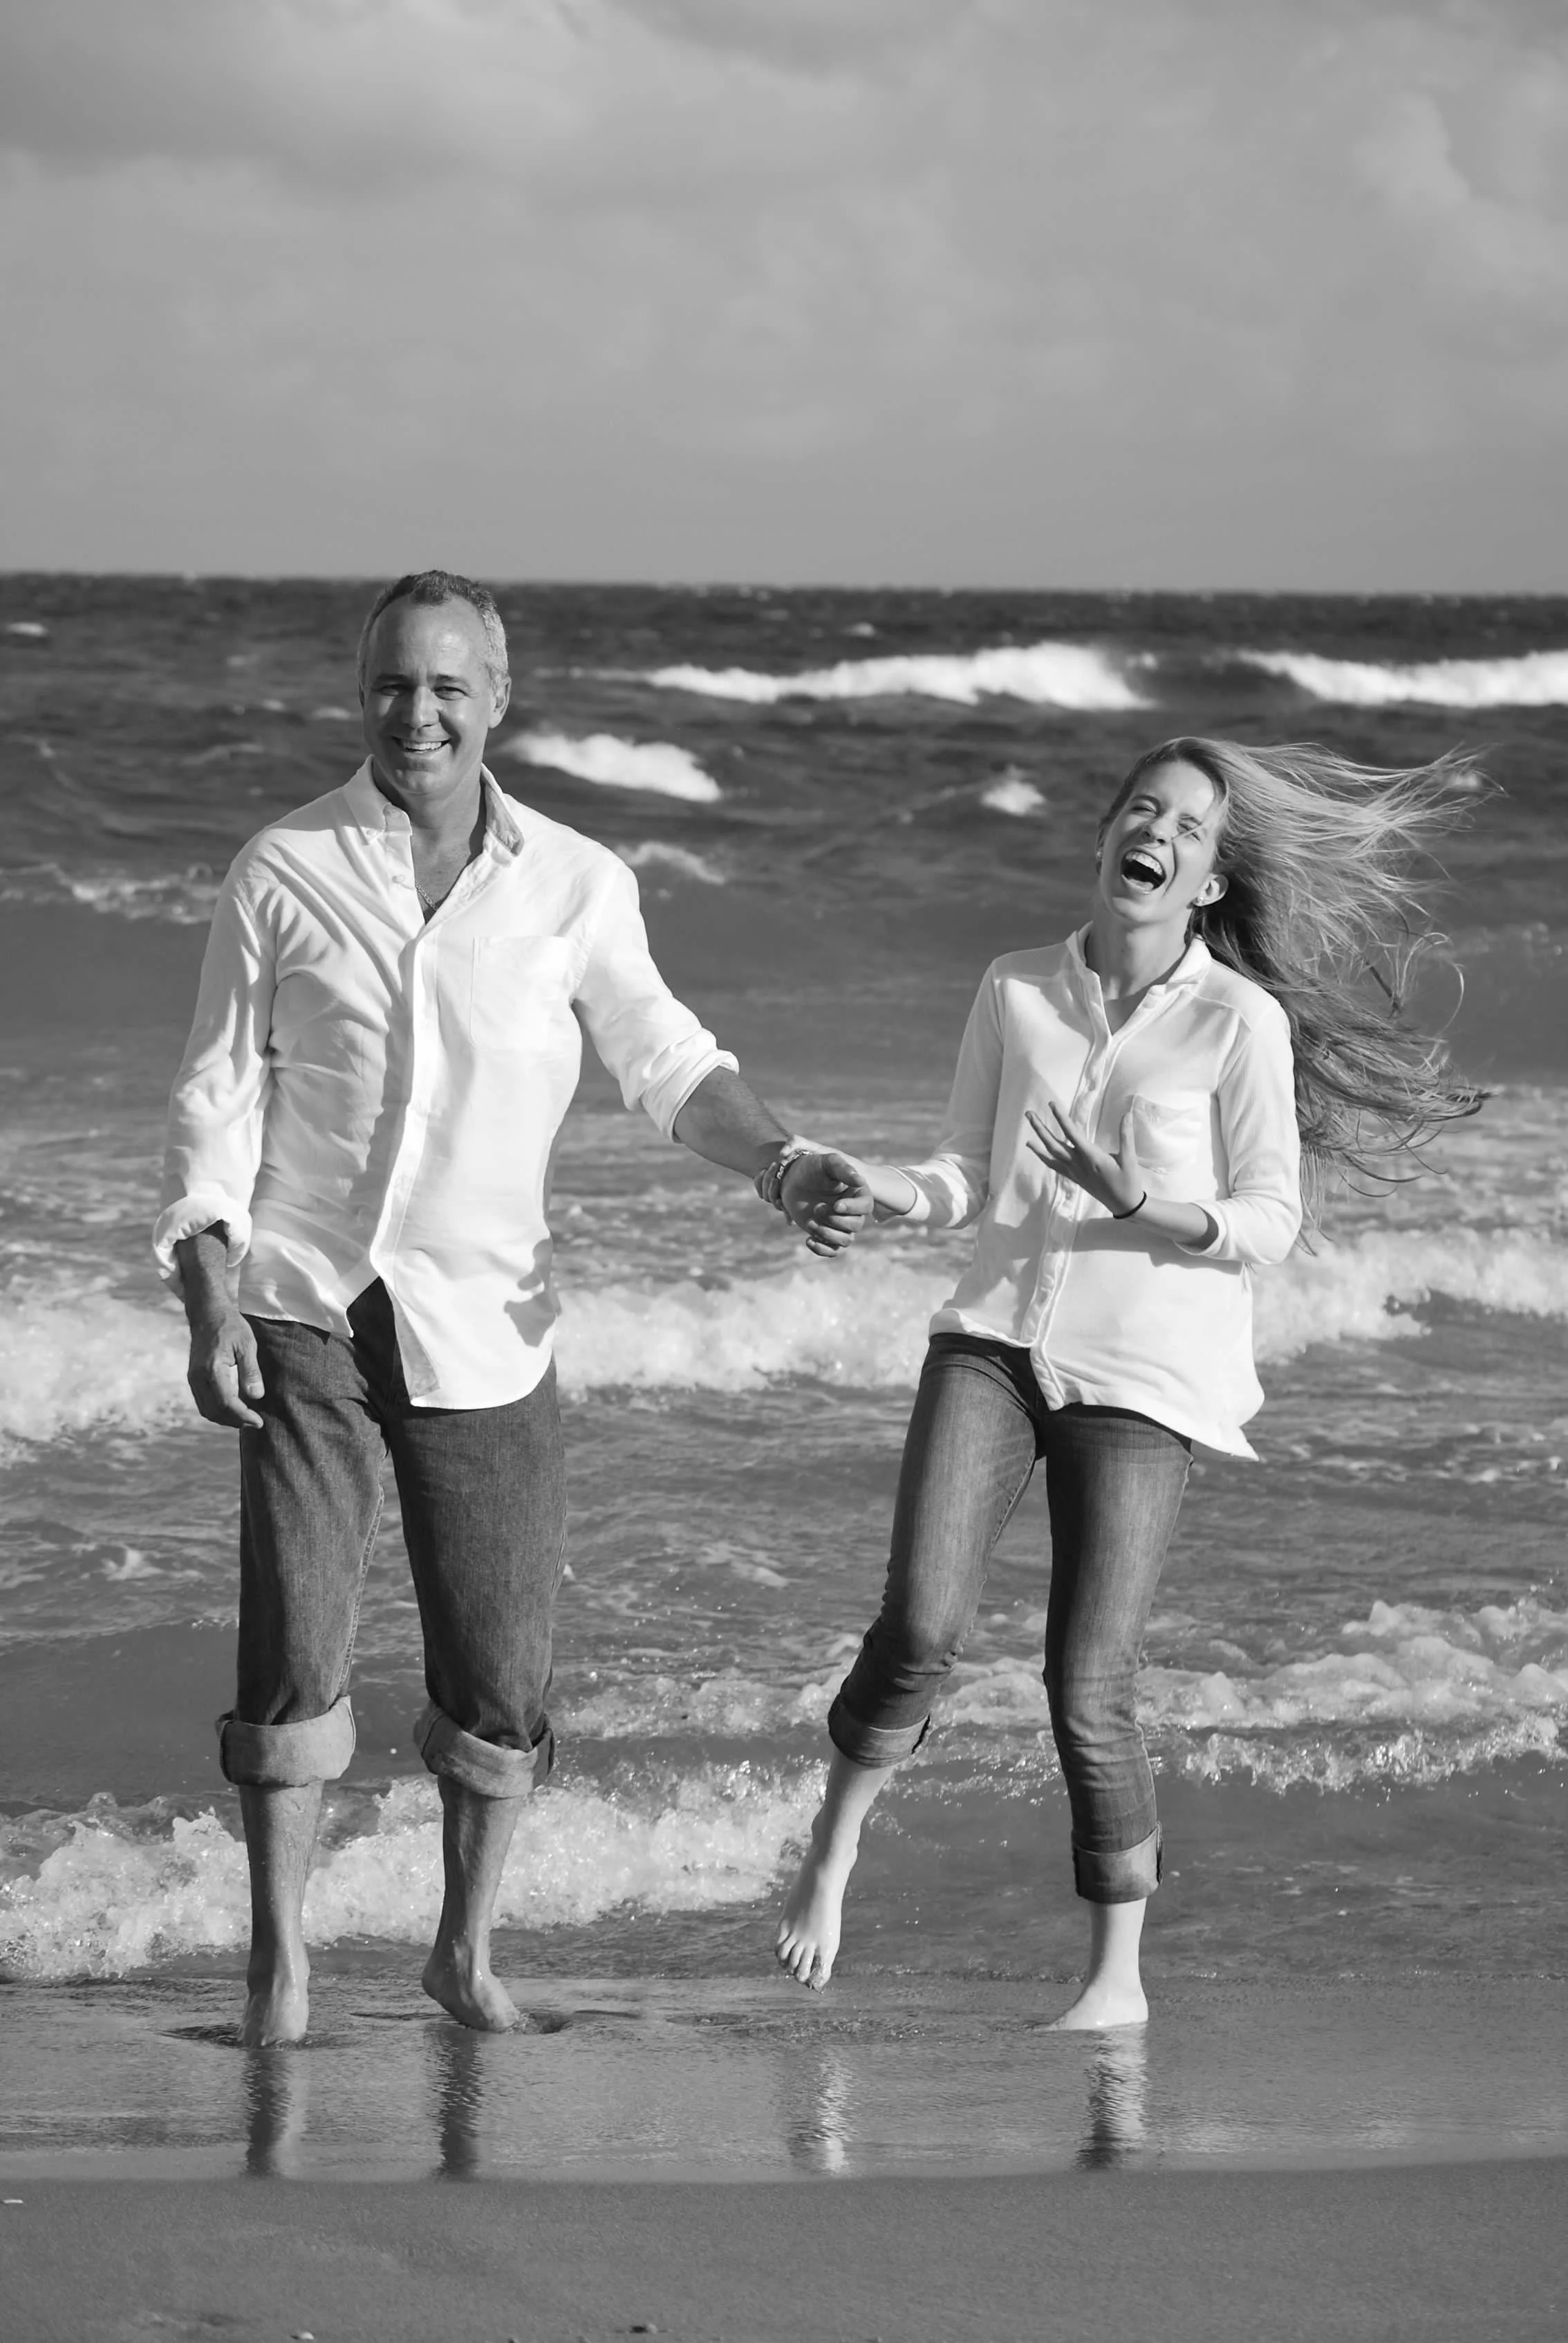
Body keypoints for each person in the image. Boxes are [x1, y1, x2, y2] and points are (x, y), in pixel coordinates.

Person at [158, 568, 855, 2045]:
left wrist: (783, 1161)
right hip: (305, 1306)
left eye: (447, 685)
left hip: (489, 1324)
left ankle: (461, 1957)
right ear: (363, 699)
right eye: (393, 686)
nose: (419, 712)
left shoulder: (579, 883)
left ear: (499, 696)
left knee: (501, 1672)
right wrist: (207, 1285)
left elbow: (668, 1060)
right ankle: (280, 1969)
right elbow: (219, 1095)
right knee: (291, 1657)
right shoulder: (282, 864)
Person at [773, 735, 1480, 2023]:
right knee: (920, 1630)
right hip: (991, 1338)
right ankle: (837, 1846)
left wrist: (1141, 1203)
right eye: (1139, 811)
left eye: (1189, 828)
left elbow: (1269, 1219)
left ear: (1207, 880)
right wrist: (889, 1189)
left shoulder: (1238, 1021)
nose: (1155, 833)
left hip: (1148, 1376)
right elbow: (966, 1174)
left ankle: (1115, 1980)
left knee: (1088, 1678)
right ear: (1104, 839)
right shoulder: (1015, 989)